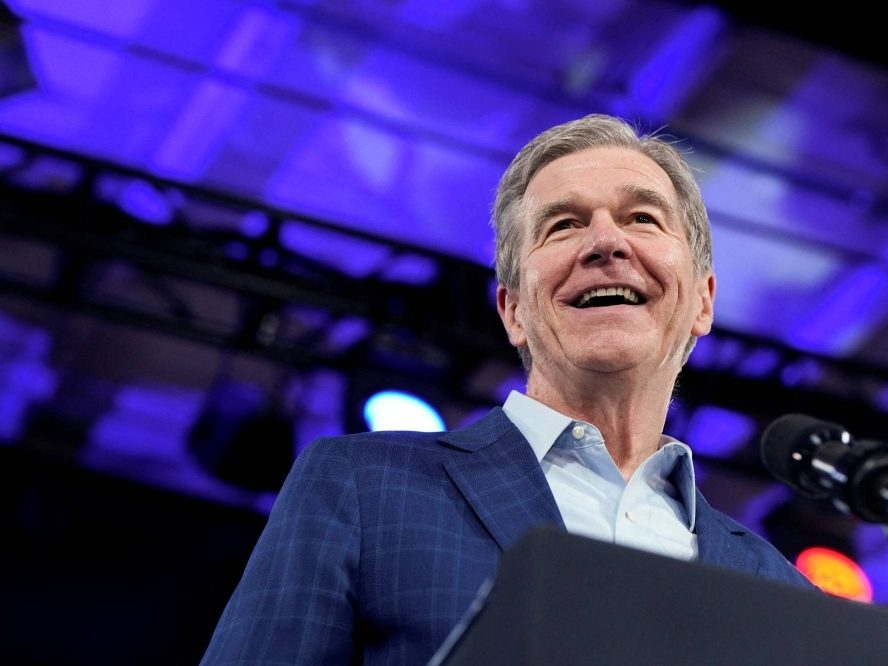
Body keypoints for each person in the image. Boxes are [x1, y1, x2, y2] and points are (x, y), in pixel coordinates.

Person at [200, 114, 812, 666]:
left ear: (703, 300)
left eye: (643, 219)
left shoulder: (779, 590)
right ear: (513, 309)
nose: (606, 243)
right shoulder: (363, 486)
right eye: (563, 224)